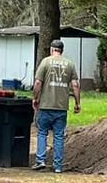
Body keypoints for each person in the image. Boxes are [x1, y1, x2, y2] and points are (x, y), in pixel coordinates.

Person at [31, 37, 81, 172]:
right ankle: (57, 166)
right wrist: (77, 103)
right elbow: (75, 85)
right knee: (59, 136)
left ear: (52, 50)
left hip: (45, 105)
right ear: (62, 51)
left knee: (42, 133)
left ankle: (40, 160)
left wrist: (35, 98)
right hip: (61, 107)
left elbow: (37, 83)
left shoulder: (45, 62)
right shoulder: (69, 64)